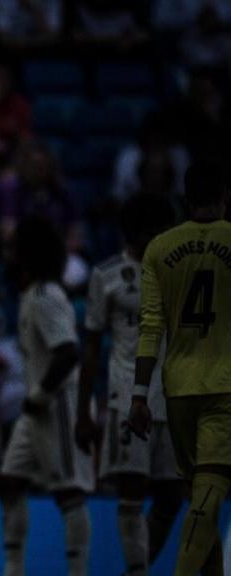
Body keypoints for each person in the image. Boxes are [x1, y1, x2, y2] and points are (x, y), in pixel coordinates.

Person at [128, 161, 231, 575]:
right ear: (227, 197)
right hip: (226, 387)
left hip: (179, 390)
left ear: (186, 199)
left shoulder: (159, 248)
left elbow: (151, 326)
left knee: (198, 499)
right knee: (208, 500)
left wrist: (139, 396)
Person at [75, 193, 181, 575]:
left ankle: (136, 567)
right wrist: (84, 412)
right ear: (134, 233)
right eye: (154, 229)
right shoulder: (106, 276)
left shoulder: (180, 271)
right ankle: (137, 570)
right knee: (133, 489)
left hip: (172, 396)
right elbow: (90, 347)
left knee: (171, 494)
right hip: (127, 395)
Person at [0, 216, 93, 576]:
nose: (6, 256)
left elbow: (68, 353)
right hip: (35, 409)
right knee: (8, 482)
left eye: (13, 249)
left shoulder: (45, 297)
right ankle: (14, 568)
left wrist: (39, 394)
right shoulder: (30, 295)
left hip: (57, 405)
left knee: (69, 493)